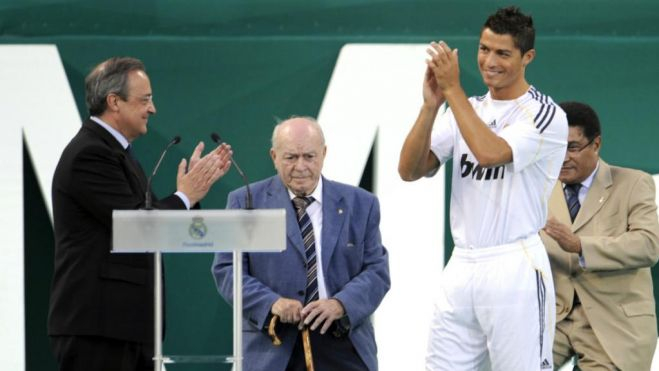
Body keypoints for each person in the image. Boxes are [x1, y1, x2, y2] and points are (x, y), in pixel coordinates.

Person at [398, 6, 568, 371]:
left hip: (515, 263)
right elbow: (410, 170)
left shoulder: (543, 114)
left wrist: (453, 88)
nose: (489, 61)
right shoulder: (466, 108)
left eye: (503, 53)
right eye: (483, 49)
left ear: (528, 57)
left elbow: (490, 154)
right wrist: (431, 107)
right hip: (462, 264)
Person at [48, 56, 232, 371]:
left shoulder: (117, 152)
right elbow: (139, 226)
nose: (153, 109)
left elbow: (148, 222)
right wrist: (185, 196)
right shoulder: (90, 154)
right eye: (145, 100)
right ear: (114, 102)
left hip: (126, 327)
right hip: (100, 328)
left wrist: (187, 197)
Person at [212, 117, 390, 371]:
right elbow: (227, 271)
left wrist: (341, 304)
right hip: (273, 345)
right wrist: (272, 303)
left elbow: (377, 271)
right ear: (274, 156)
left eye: (309, 156)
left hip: (343, 341)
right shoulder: (245, 202)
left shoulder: (361, 204)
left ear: (324, 153)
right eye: (290, 157)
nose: (300, 166)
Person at [541, 101, 659, 370]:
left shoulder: (633, 183)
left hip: (613, 325)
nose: (562, 157)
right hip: (553, 321)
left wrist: (579, 245)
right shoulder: (539, 190)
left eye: (571, 147)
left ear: (596, 144)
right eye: (555, 147)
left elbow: (649, 246)